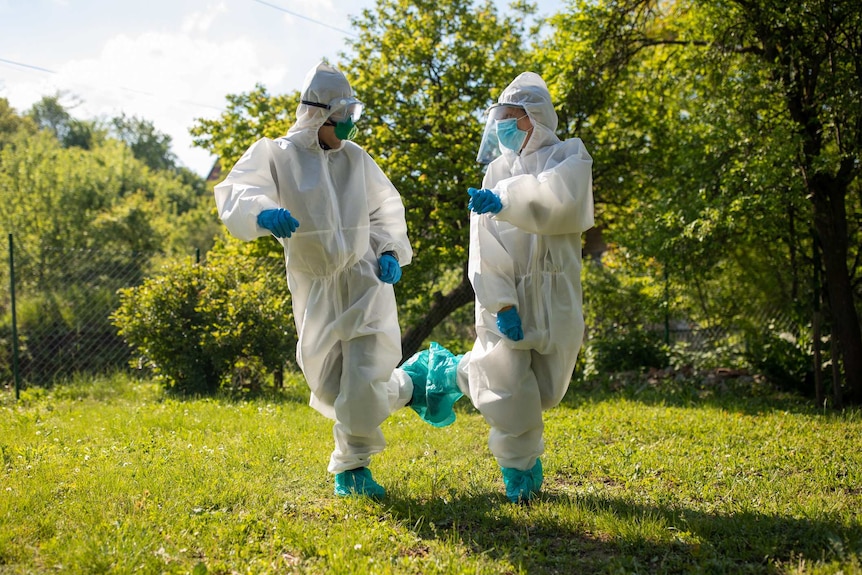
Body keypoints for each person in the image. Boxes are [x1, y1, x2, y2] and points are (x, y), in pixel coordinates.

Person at [214, 61, 417, 499]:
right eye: (340, 118)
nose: (347, 127)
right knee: (328, 384)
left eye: (349, 117)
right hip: (314, 285)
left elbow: (384, 208)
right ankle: (414, 385)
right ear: (318, 115)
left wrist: (388, 250)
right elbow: (238, 190)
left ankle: (352, 467)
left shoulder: (356, 159)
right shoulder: (278, 154)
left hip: (364, 280)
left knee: (362, 378)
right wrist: (261, 212)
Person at [408, 71, 594, 503]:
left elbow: (558, 200)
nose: (504, 128)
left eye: (512, 118)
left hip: (556, 294)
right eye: (501, 119)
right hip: (508, 295)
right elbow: (484, 246)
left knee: (547, 389)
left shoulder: (570, 155)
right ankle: (520, 469)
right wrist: (501, 304)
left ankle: (445, 373)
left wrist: (507, 200)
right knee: (510, 387)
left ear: (534, 118)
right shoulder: (495, 169)